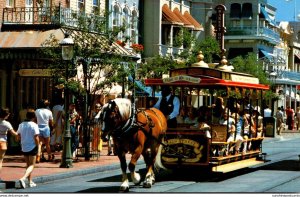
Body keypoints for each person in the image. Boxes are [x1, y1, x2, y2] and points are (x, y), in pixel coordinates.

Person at [17, 109, 39, 189]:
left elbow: (18, 136)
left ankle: (30, 181)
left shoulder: (21, 124)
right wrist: (38, 146)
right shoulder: (34, 125)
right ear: (34, 117)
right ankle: (23, 178)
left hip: (24, 146)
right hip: (32, 146)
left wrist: (21, 141)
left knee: (28, 165)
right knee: (32, 165)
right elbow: (36, 137)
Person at [0, 108, 18, 179]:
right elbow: (13, 133)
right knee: (0, 160)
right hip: (3, 142)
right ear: (6, 115)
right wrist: (18, 134)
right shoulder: (7, 123)